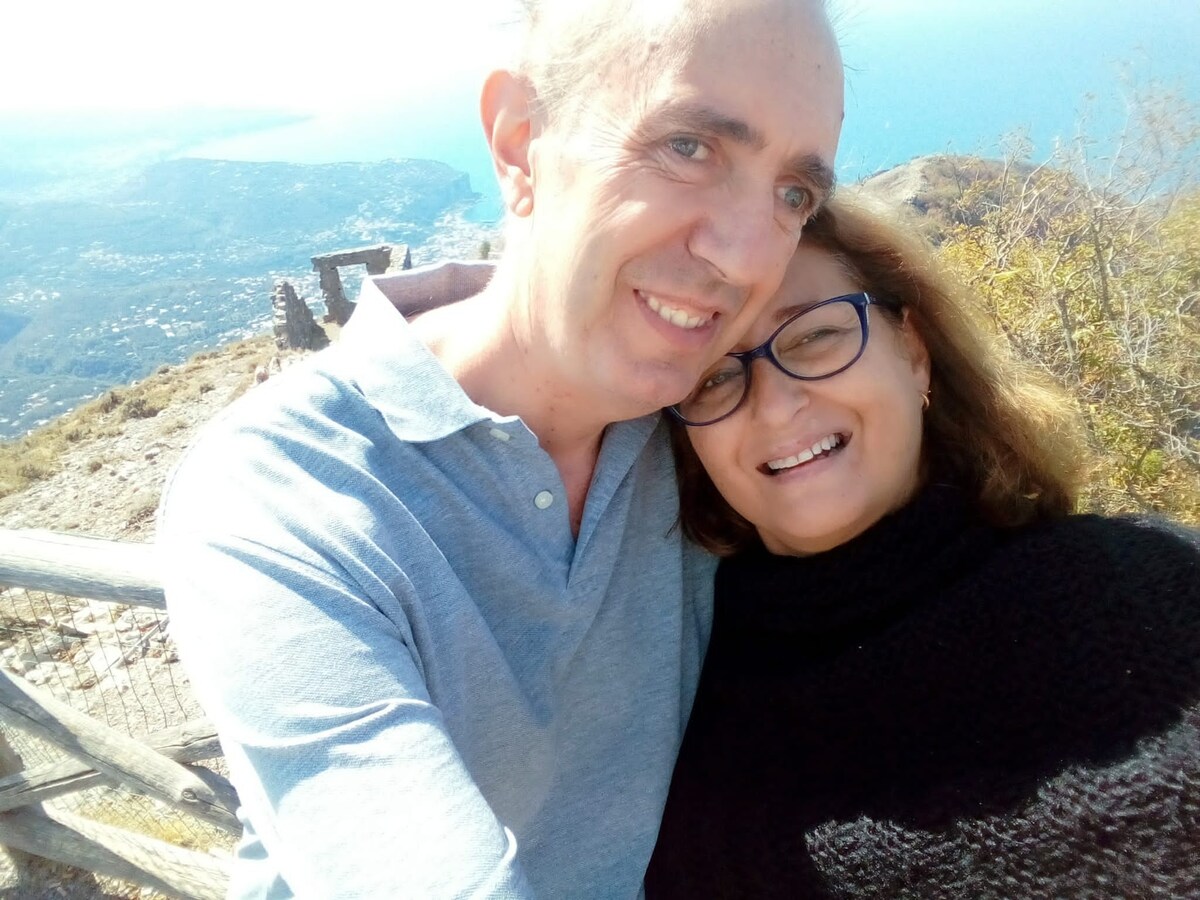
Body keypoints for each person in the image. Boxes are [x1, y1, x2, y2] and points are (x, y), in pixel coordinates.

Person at [156, 0, 844, 896]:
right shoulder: (284, 492)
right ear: (522, 144)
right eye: (688, 147)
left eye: (795, 194)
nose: (746, 256)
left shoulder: (708, 420)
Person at [644, 194, 1200, 898]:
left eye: (815, 335)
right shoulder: (668, 701)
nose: (775, 403)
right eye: (716, 375)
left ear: (913, 353)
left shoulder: (1159, 591)